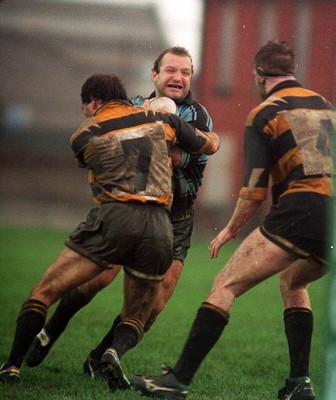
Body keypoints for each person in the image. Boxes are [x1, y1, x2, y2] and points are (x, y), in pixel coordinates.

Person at [130, 40, 335, 400]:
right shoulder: (328, 107)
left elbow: (254, 191)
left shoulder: (265, 113)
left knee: (225, 284)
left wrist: (229, 231)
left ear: (259, 76)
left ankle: (177, 381)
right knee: (293, 280)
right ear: (292, 73)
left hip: (300, 211)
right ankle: (299, 383)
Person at [0, 73, 219, 389]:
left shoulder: (83, 135)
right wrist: (212, 139)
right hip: (160, 225)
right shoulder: (161, 119)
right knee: (135, 315)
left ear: (93, 103)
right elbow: (208, 144)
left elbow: (95, 162)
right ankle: (113, 352)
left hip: (115, 218)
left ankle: (11, 366)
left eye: (85, 107)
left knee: (44, 292)